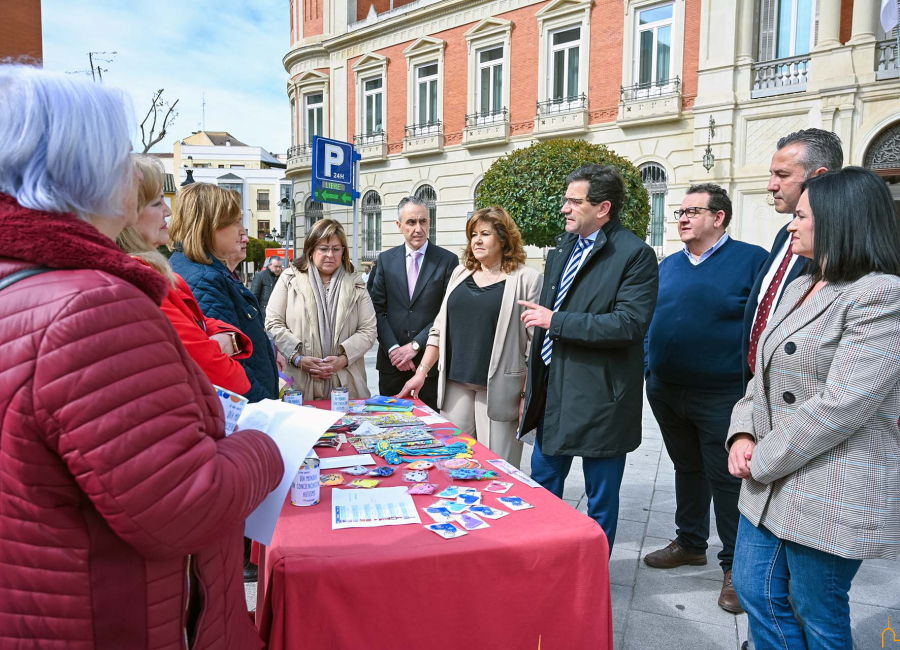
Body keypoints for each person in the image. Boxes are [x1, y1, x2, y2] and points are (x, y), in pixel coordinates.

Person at [0, 64, 283, 649]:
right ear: (89, 169)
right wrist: (268, 441)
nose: (137, 172)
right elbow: (185, 503)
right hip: (113, 617)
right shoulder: (93, 308)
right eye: (123, 152)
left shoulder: (26, 284)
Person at [728, 167, 900, 649]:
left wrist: (760, 460)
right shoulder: (803, 283)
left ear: (839, 220)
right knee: (754, 589)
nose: (791, 225)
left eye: (802, 216)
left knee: (816, 609)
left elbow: (842, 405)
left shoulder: (880, 294)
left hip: (830, 480)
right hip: (772, 475)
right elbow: (761, 376)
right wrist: (741, 434)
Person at [519, 165, 658, 552]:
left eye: (574, 201)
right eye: (566, 199)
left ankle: (591, 579)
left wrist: (556, 321)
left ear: (603, 208)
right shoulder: (562, 247)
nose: (564, 208)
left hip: (601, 398)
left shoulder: (635, 254)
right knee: (542, 485)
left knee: (600, 500)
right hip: (554, 391)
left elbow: (629, 324)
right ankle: (541, 562)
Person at [642, 183, 768, 613]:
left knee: (727, 480)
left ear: (719, 217)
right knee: (686, 468)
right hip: (666, 389)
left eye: (692, 211)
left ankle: (735, 569)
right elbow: (651, 318)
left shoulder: (752, 260)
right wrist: (648, 365)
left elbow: (760, 327)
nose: (681, 218)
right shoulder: (669, 264)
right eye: (679, 211)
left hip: (721, 393)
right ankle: (691, 542)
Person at [397, 207, 542, 466]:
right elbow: (439, 329)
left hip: (499, 392)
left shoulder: (527, 279)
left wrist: (525, 398)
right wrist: (421, 372)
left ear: (503, 238)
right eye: (473, 234)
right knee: (452, 464)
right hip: (455, 387)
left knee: (498, 470)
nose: (476, 240)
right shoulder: (460, 274)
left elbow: (534, 346)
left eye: (484, 234)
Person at [117, 155, 253, 395]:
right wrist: (226, 342)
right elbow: (229, 378)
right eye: (157, 202)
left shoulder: (162, 273)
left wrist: (227, 339)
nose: (168, 211)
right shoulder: (143, 281)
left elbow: (205, 324)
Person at [743, 129, 842, 384]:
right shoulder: (783, 236)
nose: (771, 185)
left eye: (782, 175)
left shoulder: (838, 250)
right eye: (771, 174)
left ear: (818, 178)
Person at [169, 183, 281, 404]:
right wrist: (264, 406)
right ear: (209, 226)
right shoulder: (203, 278)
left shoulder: (206, 272)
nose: (244, 233)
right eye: (235, 221)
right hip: (247, 410)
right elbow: (227, 365)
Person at [266, 218, 377, 400]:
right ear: (311, 250)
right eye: (323, 249)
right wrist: (297, 357)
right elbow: (273, 323)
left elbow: (368, 329)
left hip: (345, 381)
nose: (330, 255)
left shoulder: (355, 282)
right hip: (299, 380)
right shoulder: (289, 278)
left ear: (343, 251)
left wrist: (343, 359)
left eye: (335, 249)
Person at [369, 195, 458, 409]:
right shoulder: (385, 260)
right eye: (411, 222)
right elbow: (376, 310)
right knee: (389, 429)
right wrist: (393, 349)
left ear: (429, 223)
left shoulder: (447, 261)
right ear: (399, 226)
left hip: (428, 366)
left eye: (423, 221)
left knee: (428, 434)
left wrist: (416, 346)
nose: (418, 228)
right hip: (392, 366)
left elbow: (445, 312)